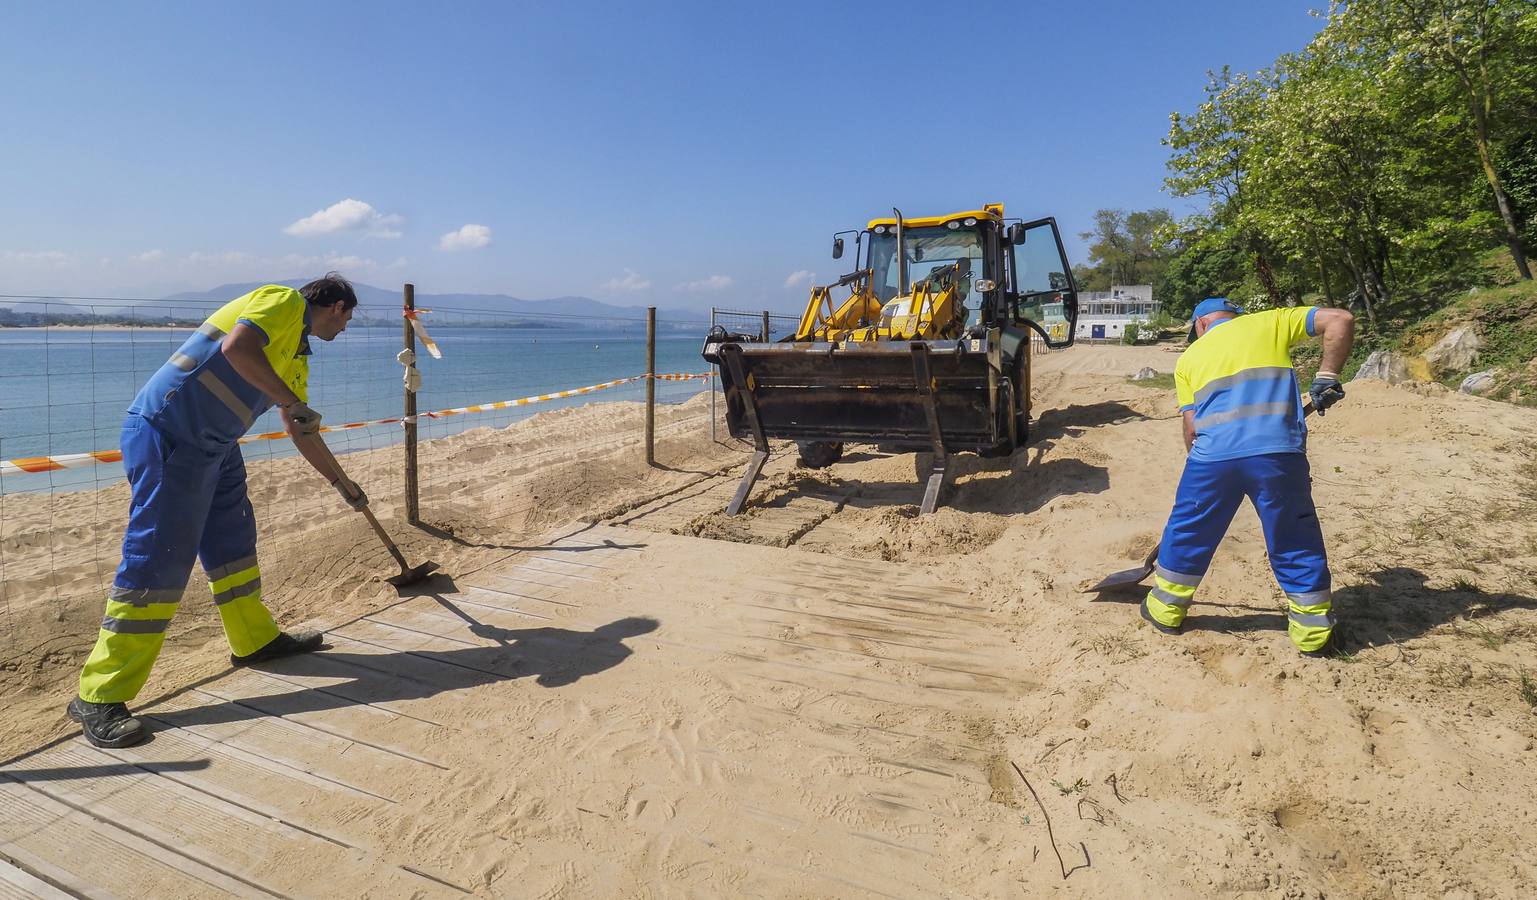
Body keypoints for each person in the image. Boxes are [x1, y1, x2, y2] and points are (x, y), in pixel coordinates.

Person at [68, 273, 370, 748]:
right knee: (159, 558)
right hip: (169, 434)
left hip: (216, 444)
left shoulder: (296, 352)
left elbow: (301, 428)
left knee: (233, 544)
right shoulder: (282, 301)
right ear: (335, 306)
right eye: (348, 317)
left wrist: (342, 483)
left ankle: (254, 640)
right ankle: (99, 694)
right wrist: (291, 402)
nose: (346, 328)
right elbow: (237, 348)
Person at [1142, 297, 1354, 657]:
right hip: (1277, 455)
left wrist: (1202, 475)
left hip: (1211, 460)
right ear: (1233, 316)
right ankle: (1313, 632)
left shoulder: (1189, 358)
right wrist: (1327, 375)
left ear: (1200, 325)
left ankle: (1165, 610)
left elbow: (1191, 428)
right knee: (1293, 532)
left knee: (1189, 528)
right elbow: (1341, 319)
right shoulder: (1269, 323)